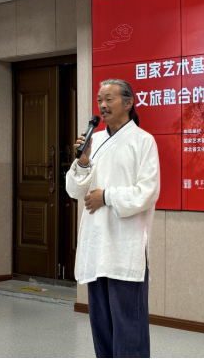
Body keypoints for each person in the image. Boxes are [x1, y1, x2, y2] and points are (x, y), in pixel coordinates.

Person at [66, 79, 160, 359]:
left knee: (129, 325)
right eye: (99, 100)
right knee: (101, 325)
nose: (103, 106)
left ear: (128, 103)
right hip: (97, 244)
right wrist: (83, 161)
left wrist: (106, 196)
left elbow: (147, 192)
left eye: (109, 99)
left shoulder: (143, 141)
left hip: (125, 245)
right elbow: (74, 190)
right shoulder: (94, 141)